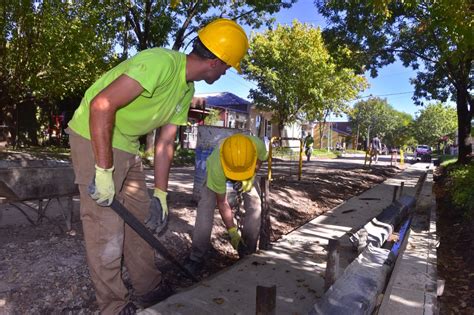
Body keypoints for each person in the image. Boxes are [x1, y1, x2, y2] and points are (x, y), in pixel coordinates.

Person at [66, 18, 249, 315]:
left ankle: (148, 287)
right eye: (228, 66)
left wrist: (161, 194)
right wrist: (103, 171)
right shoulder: (160, 63)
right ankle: (112, 306)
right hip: (93, 133)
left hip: (126, 143)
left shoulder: (186, 91)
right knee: (106, 228)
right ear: (216, 62)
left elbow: (165, 143)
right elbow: (101, 106)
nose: (227, 72)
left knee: (141, 220)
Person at [183, 133, 268, 274]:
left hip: (248, 170)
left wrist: (251, 175)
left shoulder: (258, 145)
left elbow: (261, 159)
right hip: (220, 169)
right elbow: (222, 203)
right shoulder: (216, 165)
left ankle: (248, 250)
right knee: (206, 205)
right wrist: (232, 232)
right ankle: (196, 257)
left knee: (255, 205)